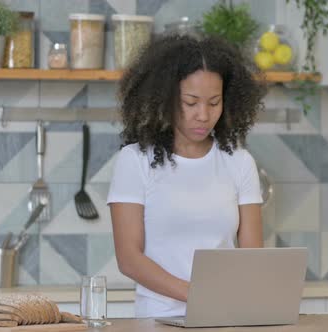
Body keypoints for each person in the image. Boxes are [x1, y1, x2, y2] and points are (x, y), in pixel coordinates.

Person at [107, 34, 267, 318]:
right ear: (166, 99)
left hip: (226, 318)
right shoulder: (135, 161)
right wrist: (196, 294)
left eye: (214, 102)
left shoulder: (240, 163)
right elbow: (129, 259)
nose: (203, 115)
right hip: (157, 320)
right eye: (190, 102)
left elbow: (253, 257)